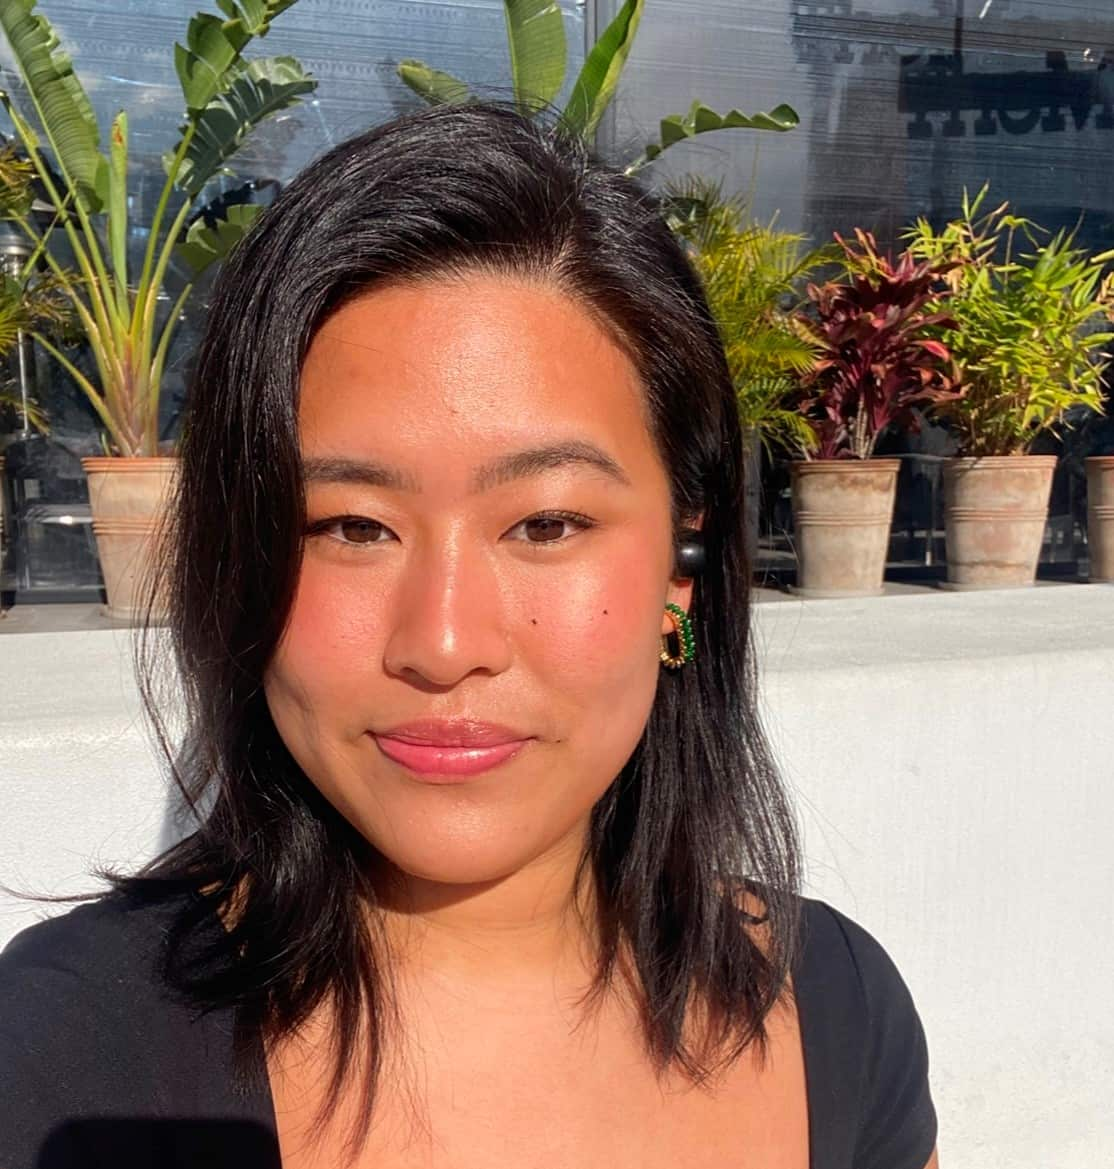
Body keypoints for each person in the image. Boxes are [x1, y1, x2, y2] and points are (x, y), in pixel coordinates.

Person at [0, 103, 938, 1169]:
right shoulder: (59, 1067)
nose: (443, 643)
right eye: (351, 526)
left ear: (681, 570)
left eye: (546, 522)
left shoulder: (839, 1013)